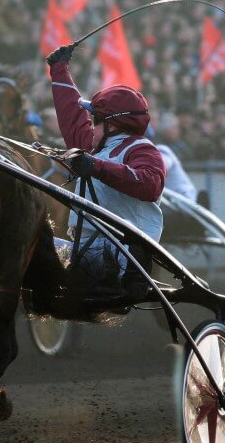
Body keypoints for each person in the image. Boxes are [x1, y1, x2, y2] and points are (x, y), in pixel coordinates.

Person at [46, 44, 166, 304]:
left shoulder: (142, 150)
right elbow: (72, 116)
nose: (90, 126)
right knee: (24, 244)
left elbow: (150, 185)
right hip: (87, 251)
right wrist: (59, 69)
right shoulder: (96, 147)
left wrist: (96, 167)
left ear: (112, 125)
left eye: (95, 121)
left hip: (123, 253)